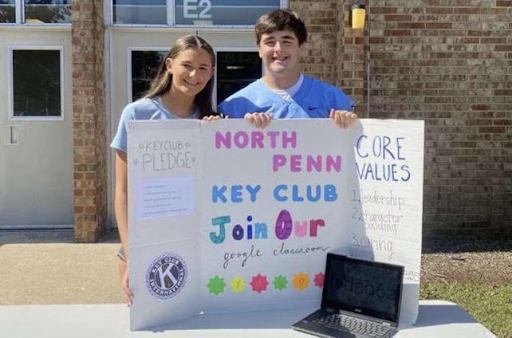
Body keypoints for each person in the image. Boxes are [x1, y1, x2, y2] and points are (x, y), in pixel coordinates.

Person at [110, 35, 220, 306]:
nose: (194, 75)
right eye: (187, 65)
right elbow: (123, 193)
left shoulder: (213, 122)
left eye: (203, 68)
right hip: (144, 245)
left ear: (212, 73)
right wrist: (133, 254)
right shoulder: (137, 114)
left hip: (195, 244)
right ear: (169, 65)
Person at [218, 9, 357, 129]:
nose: (278, 49)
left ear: (300, 47)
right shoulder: (236, 106)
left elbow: (354, 147)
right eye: (270, 42)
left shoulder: (332, 100)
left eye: (287, 41)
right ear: (259, 49)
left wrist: (349, 125)